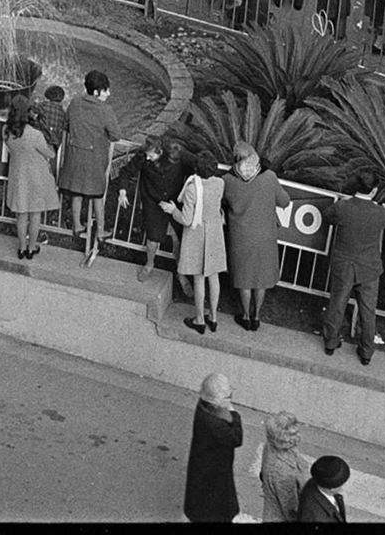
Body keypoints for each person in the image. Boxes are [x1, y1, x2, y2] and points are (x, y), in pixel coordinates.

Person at [321, 173, 385, 365]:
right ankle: (366, 352)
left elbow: (327, 215)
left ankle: (330, 342)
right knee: (368, 310)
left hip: (344, 264)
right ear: (374, 191)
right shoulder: (380, 213)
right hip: (369, 268)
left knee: (337, 303)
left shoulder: (343, 207)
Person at [58, 68, 125, 265]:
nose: (109, 94)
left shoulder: (75, 102)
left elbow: (67, 124)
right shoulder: (105, 110)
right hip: (94, 159)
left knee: (76, 192)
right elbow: (116, 135)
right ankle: (101, 230)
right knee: (97, 195)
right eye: (106, 90)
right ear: (97, 92)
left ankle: (78, 225)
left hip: (74, 156)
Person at [222, 141, 290, 331]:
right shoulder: (269, 177)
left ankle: (244, 316)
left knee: (244, 277)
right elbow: (284, 201)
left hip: (240, 236)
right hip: (265, 236)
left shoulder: (227, 180)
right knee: (261, 277)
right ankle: (257, 316)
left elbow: (222, 200)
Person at [165, 155, 228, 333]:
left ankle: (199, 319)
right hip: (214, 233)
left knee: (198, 277)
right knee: (213, 276)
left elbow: (186, 219)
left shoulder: (192, 189)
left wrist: (173, 210)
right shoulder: (219, 184)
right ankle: (213, 317)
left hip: (197, 235)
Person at [116, 134, 189, 282]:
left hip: (174, 203)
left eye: (151, 156)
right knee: (152, 240)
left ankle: (181, 272)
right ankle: (149, 264)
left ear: (160, 152)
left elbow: (196, 163)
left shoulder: (177, 154)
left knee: (178, 239)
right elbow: (126, 171)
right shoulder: (143, 157)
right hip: (153, 203)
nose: (147, 158)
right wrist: (122, 190)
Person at [4, 92, 60, 259]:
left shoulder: (6, 131)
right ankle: (31, 247)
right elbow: (50, 154)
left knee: (21, 215)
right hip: (36, 178)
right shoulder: (35, 134)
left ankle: (21, 248)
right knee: (35, 215)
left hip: (18, 177)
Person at [182, 370, 243, 524]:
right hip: (214, 473)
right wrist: (234, 414)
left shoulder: (204, 407)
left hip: (204, 467)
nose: (230, 399)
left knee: (202, 503)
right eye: (227, 397)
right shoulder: (214, 423)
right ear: (216, 400)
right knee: (215, 508)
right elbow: (236, 438)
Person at [256, 412, 308, 523]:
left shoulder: (272, 445)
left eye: (296, 432)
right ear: (278, 439)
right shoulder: (281, 472)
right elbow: (290, 509)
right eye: (290, 437)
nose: (296, 439)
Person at [296, 454, 350, 522]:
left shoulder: (316, 479)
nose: (342, 488)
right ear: (332, 489)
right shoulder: (315, 517)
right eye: (341, 485)